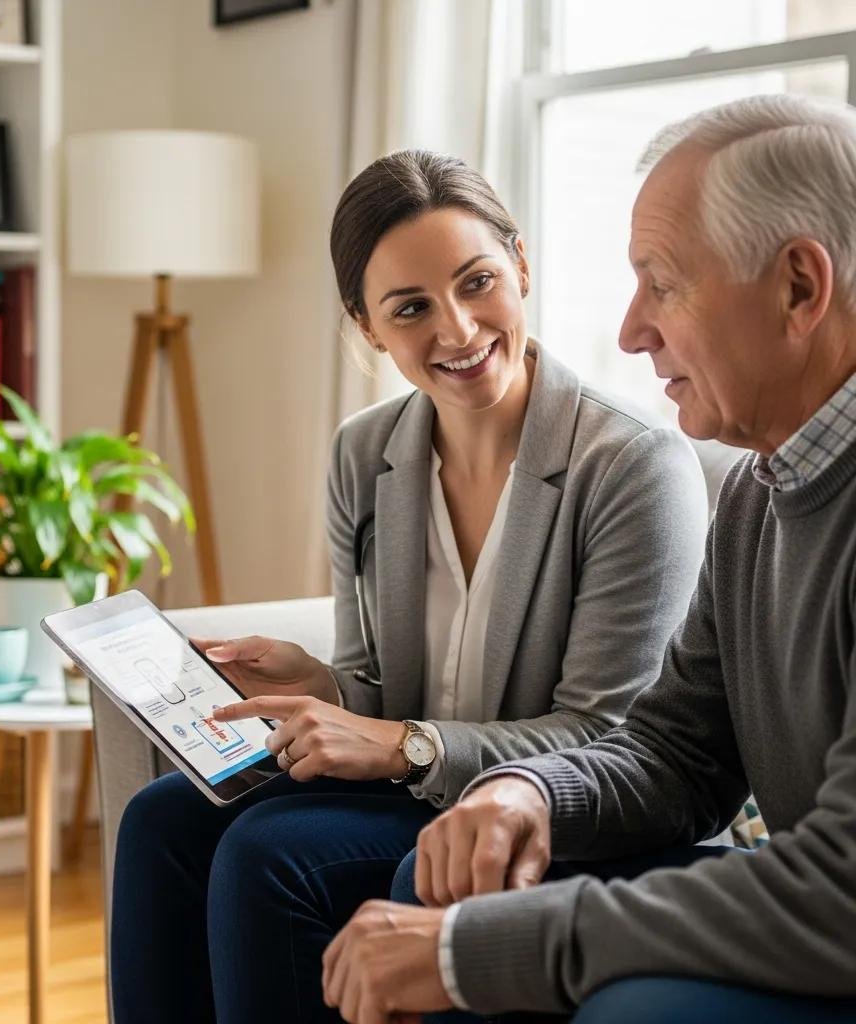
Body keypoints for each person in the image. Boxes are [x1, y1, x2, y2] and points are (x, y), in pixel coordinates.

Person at [109, 150, 708, 1023]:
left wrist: (405, 746)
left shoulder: (630, 468)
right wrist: (316, 685)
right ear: (367, 327)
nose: (458, 330)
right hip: (420, 778)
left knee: (269, 854)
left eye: (478, 283)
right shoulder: (366, 455)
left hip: (545, 802)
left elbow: (606, 736)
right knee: (162, 821)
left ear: (522, 267)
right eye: (411, 309)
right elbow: (380, 687)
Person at [325, 95, 856, 1024]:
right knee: (442, 874)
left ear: (800, 288)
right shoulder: (758, 495)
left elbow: (841, 892)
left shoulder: (651, 464)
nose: (630, 330)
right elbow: (676, 751)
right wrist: (531, 791)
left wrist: (485, 952)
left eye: (664, 283)